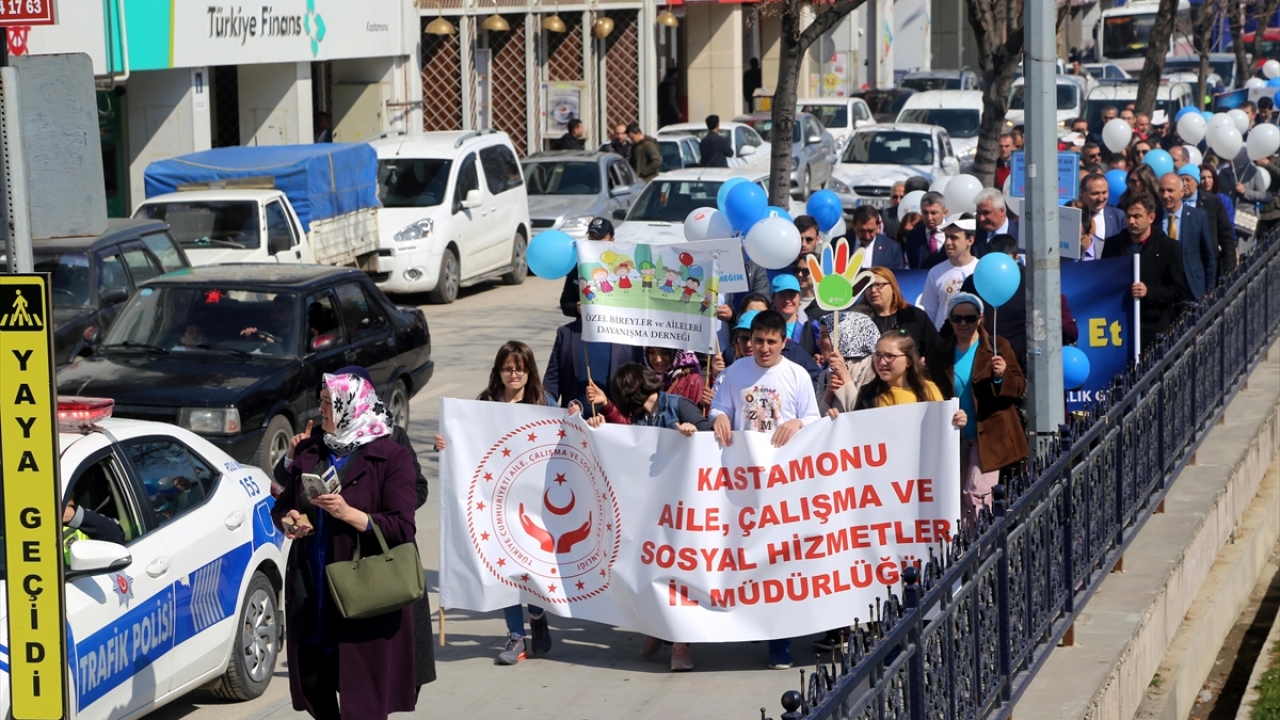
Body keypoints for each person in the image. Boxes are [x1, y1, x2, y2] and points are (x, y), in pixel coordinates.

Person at [272, 373, 420, 720]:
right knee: (314, 691)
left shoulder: (391, 457)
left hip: (362, 598)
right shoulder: (310, 451)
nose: (320, 409)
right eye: (322, 401)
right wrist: (290, 519)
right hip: (313, 593)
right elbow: (282, 504)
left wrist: (352, 515)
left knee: (363, 706)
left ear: (350, 407)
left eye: (327, 402)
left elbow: (403, 527)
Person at [709, 309, 820, 670]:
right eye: (758, 341)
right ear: (749, 341)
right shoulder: (734, 373)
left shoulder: (797, 375)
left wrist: (798, 423)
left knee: (778, 562)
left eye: (772, 341)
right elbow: (717, 407)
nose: (764, 348)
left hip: (783, 481)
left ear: (783, 342)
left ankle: (779, 642)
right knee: (743, 556)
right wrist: (720, 416)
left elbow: (815, 420)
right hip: (742, 482)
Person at [582, 363, 710, 671]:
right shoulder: (640, 417)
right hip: (652, 508)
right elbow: (625, 437)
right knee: (652, 572)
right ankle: (656, 628)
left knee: (680, 576)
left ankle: (680, 646)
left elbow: (708, 432)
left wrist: (690, 432)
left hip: (683, 508)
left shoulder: (678, 405)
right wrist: (602, 415)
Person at [434, 343, 555, 665]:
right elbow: (466, 442)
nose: (513, 374)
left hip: (534, 504)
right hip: (495, 503)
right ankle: (516, 636)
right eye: (507, 368)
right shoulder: (485, 403)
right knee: (505, 570)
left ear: (529, 372)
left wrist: (574, 415)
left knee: (532, 569)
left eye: (519, 368)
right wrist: (445, 444)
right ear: (498, 371)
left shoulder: (545, 402)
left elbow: (567, 437)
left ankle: (538, 614)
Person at [925, 293, 1028, 525]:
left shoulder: (997, 346)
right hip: (954, 436)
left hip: (990, 436)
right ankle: (962, 551)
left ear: (980, 319)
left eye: (969, 318)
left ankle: (983, 552)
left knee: (976, 494)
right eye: (956, 318)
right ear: (949, 319)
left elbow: (1019, 386)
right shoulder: (940, 352)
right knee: (955, 496)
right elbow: (930, 393)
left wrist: (1001, 376)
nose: (963, 323)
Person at [1101, 194, 1192, 350]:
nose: (1131, 221)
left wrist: (1149, 291)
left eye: (1137, 216)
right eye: (1128, 216)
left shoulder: (1168, 247)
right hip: (1119, 325)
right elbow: (1103, 280)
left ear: (1151, 217)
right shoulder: (1112, 244)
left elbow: (1177, 290)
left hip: (1153, 327)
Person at [545, 308, 642, 410]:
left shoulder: (630, 335)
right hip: (574, 421)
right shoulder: (566, 333)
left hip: (614, 422)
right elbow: (551, 384)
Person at [852, 266, 942, 359]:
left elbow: (937, 349)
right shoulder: (858, 320)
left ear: (893, 287)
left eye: (879, 285)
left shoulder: (914, 316)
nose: (873, 290)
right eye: (869, 286)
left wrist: (924, 362)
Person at [1156, 172, 1216, 298]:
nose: (1165, 195)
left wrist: (1209, 290)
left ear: (1182, 192)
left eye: (1170, 190)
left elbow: (1209, 256)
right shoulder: (1154, 218)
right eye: (1162, 190)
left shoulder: (1198, 217)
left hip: (1192, 286)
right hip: (1163, 287)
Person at [817, 310, 882, 416]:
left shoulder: (874, 367)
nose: (818, 342)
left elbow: (864, 413)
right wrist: (827, 396)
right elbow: (816, 418)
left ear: (846, 334)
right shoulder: (825, 375)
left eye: (824, 335)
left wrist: (845, 377)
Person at [1178, 165, 1236, 281]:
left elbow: (1225, 236)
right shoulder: (1174, 203)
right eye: (1181, 180)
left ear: (1196, 181)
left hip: (1205, 265)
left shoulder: (1211, 202)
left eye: (1188, 180)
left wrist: (1229, 269)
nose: (1184, 184)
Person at [922, 214, 979, 329]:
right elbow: (929, 313)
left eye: (954, 237)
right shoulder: (935, 272)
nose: (947, 242)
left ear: (970, 240)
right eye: (946, 236)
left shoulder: (981, 270)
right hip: (944, 341)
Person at [559, 218, 615, 317]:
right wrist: (576, 308)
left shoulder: (618, 267)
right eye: (592, 237)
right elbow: (565, 303)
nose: (595, 242)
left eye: (600, 238)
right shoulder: (578, 267)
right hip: (586, 327)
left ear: (612, 240)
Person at [1080, 172, 1125, 257]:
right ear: (1082, 194)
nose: (1101, 198)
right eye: (1095, 193)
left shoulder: (1119, 217)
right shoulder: (1074, 216)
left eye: (1104, 192)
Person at [849, 205, 906, 269]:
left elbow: (898, 277)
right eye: (862, 231)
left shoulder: (892, 249)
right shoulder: (839, 244)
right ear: (853, 225)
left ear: (879, 226)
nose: (867, 236)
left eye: (871, 231)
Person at [972, 189, 1017, 257]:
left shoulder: (1022, 234)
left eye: (986, 213)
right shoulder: (975, 238)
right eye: (978, 213)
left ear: (1002, 211)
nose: (981, 218)